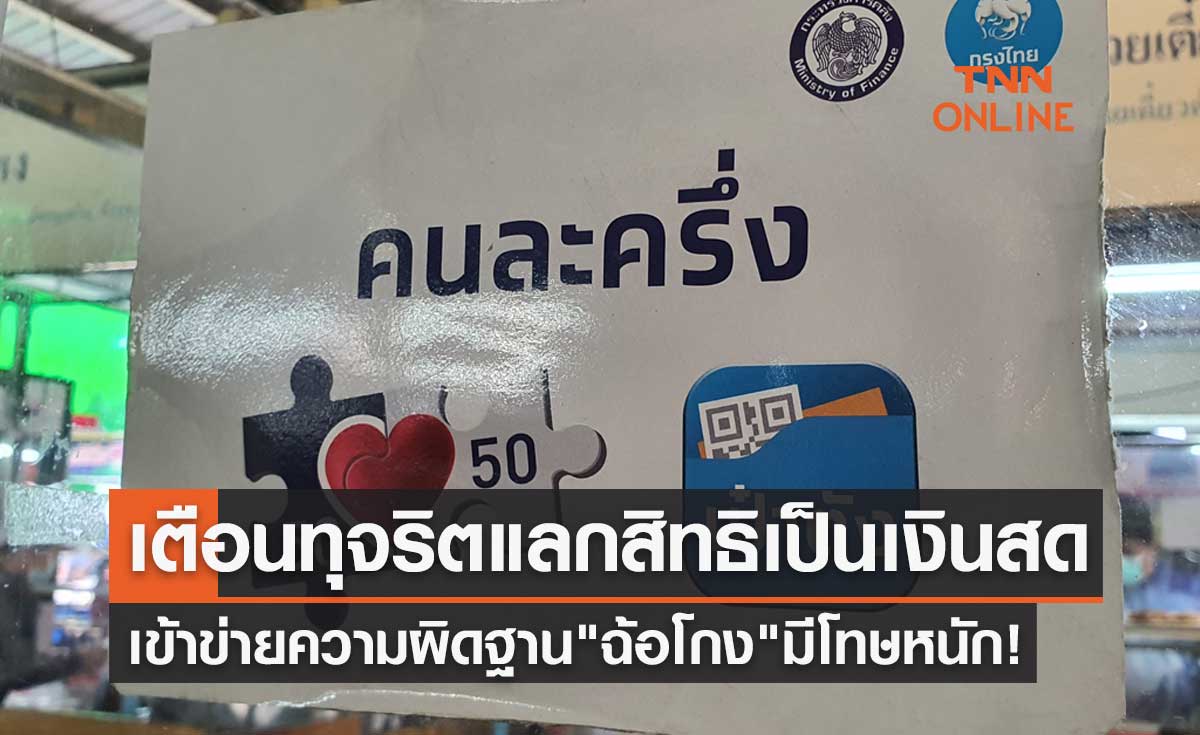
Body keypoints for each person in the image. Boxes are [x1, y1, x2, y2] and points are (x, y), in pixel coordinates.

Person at [0, 546, 106, 702]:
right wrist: (78, 662)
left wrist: (77, 662)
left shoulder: (19, 592)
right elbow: (18, 670)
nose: (47, 564)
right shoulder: (8, 596)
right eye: (48, 555)